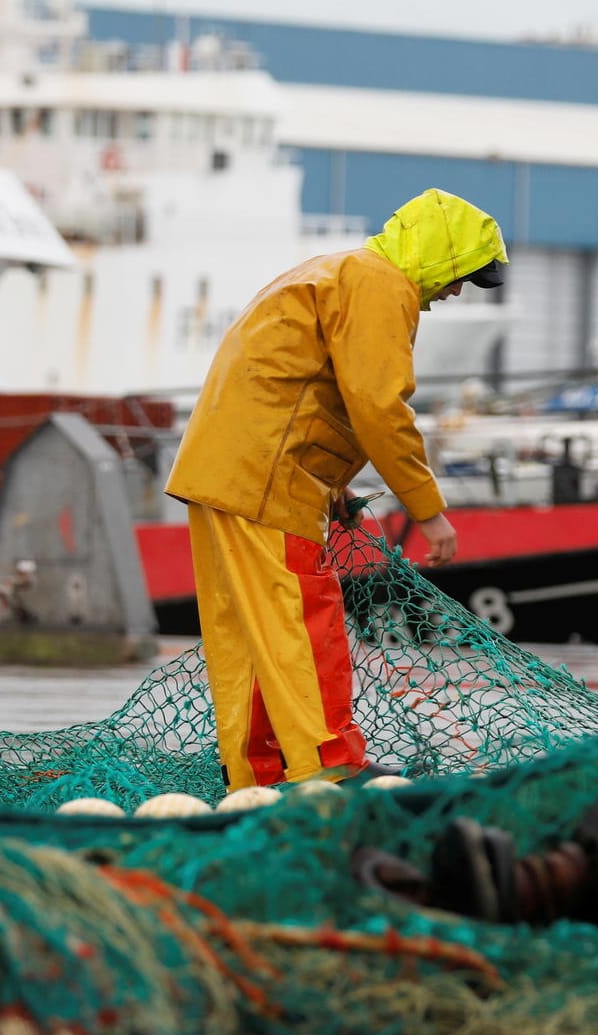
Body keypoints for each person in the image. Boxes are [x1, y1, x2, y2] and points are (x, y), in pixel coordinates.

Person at [165, 188, 508, 791]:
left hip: (226, 474)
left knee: (248, 635)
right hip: (267, 482)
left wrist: (333, 490)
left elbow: (302, 391)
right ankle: (328, 764)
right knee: (303, 618)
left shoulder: (336, 271)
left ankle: (256, 774)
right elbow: (377, 407)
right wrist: (429, 512)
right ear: (437, 254)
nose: (457, 293)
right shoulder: (379, 283)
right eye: (462, 277)